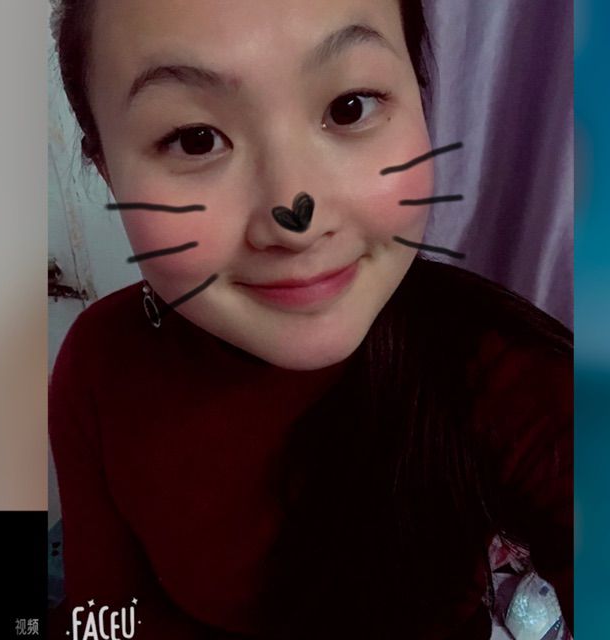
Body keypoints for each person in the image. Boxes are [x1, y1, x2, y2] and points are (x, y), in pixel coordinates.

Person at [48, 0, 573, 638]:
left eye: (349, 107)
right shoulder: (99, 362)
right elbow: (104, 615)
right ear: (107, 169)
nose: (295, 219)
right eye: (195, 139)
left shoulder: (511, 383)